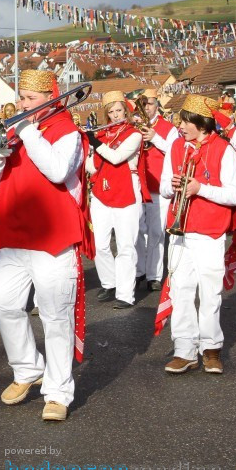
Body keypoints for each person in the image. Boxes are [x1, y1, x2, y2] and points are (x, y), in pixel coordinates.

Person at [0, 69, 89, 422]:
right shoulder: (16, 133)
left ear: (49, 98)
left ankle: (58, 392)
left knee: (56, 316)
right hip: (15, 233)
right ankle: (27, 367)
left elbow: (58, 171)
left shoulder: (67, 132)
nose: (21, 104)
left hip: (54, 236)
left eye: (28, 99)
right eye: (21, 97)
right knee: (2, 304)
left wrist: (27, 131)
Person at [160, 95, 236, 375]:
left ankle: (211, 347)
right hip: (180, 229)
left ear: (202, 124)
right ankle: (184, 349)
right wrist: (172, 187)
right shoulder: (175, 147)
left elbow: (234, 195)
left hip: (210, 231)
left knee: (210, 292)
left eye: (185, 121)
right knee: (181, 289)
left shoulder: (225, 150)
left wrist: (200, 188)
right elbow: (163, 189)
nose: (180, 126)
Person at [85, 91, 142, 308]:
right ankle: (110, 283)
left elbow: (117, 158)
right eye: (111, 112)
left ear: (125, 111)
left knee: (126, 245)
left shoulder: (134, 134)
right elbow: (91, 167)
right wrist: (89, 149)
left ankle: (125, 294)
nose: (116, 115)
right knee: (100, 244)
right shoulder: (102, 135)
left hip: (127, 189)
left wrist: (95, 144)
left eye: (119, 110)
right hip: (101, 190)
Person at [135, 88, 178, 290]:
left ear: (157, 104)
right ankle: (139, 271)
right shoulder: (134, 124)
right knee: (137, 231)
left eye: (150, 103)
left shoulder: (168, 128)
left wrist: (154, 138)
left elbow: (175, 151)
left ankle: (154, 275)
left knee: (156, 233)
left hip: (158, 186)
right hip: (138, 184)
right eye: (143, 104)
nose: (147, 108)